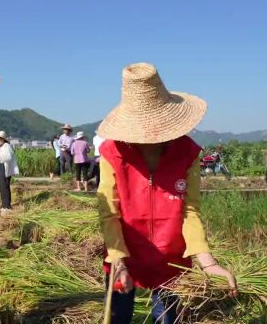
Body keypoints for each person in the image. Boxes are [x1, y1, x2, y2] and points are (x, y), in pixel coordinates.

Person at [96, 63, 236, 324]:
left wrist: (207, 262)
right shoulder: (112, 153)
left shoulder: (187, 154)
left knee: (168, 319)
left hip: (172, 261)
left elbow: (190, 211)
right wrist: (119, 262)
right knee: (118, 317)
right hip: (124, 254)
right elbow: (109, 213)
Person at [0, 131, 19, 216]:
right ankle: (5, 205)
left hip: (4, 167)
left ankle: (6, 206)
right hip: (2, 166)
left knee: (4, 186)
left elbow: (8, 157)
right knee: (3, 186)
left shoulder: (6, 146)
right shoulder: (2, 146)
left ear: (3, 139)